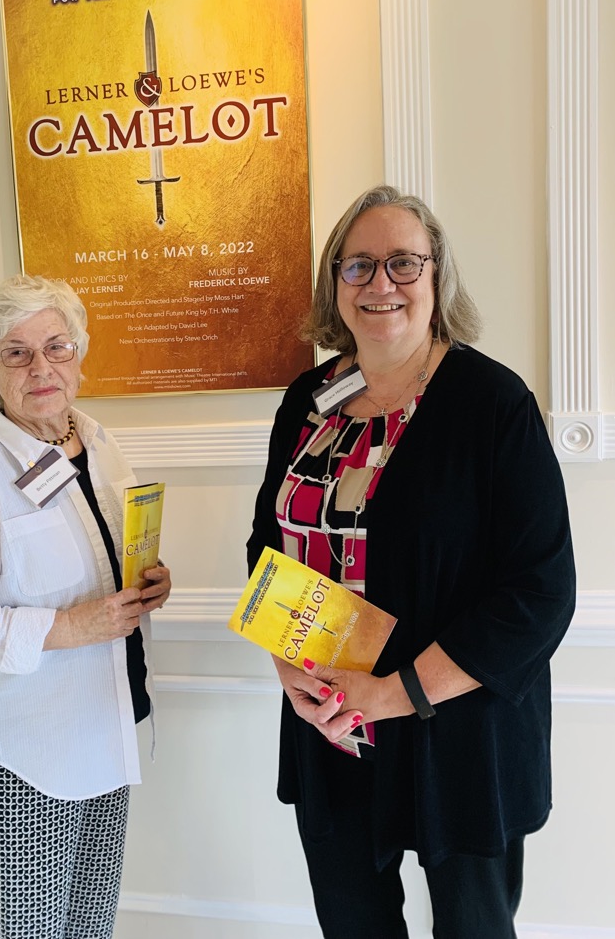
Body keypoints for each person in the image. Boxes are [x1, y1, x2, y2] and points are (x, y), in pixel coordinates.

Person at [247, 186, 575, 939]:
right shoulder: (310, 396)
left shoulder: (490, 403)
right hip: (329, 722)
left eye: (402, 263)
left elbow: (539, 591)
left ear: (435, 277)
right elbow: (267, 544)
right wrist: (290, 669)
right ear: (335, 283)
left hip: (455, 730)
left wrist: (391, 694)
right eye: (356, 265)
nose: (379, 284)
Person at [0, 274, 171, 939]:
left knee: (89, 927)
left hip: (106, 725)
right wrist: (70, 626)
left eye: (57, 346)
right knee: (24, 931)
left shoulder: (99, 443)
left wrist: (151, 584)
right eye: (16, 352)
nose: (41, 367)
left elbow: (103, 557)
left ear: (79, 355)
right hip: (24, 753)